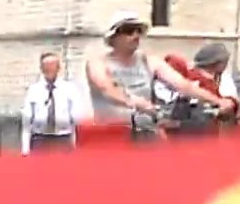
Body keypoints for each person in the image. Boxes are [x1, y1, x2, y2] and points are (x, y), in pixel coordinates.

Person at [85, 12, 223, 133]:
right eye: (129, 30)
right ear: (114, 36)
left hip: (145, 131)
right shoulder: (98, 63)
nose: (135, 35)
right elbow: (106, 89)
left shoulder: (149, 61)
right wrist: (133, 102)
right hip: (111, 134)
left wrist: (219, 101)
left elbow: (183, 85)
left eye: (138, 31)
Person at [21, 52, 91, 151]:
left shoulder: (69, 88)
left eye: (52, 66)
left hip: (63, 138)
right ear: (41, 68)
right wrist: (25, 149)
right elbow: (27, 121)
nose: (49, 69)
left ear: (58, 68)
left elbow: (77, 117)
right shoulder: (34, 90)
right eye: (46, 67)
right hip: (39, 138)